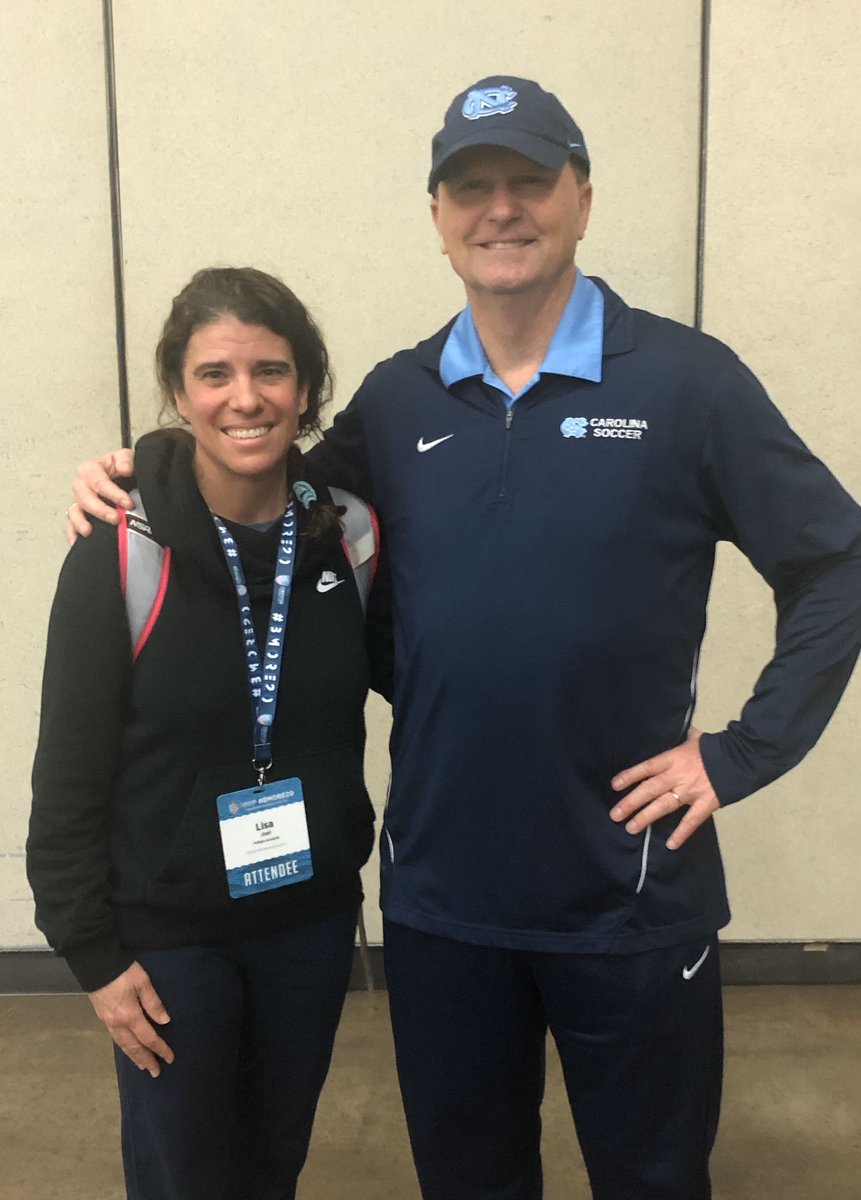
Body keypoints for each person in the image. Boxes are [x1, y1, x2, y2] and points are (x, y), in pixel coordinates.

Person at [66, 77, 861, 1200]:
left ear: (582, 198)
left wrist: (740, 753)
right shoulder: (397, 404)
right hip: (443, 904)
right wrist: (136, 470)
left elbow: (837, 560)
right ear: (437, 222)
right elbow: (257, 480)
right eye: (472, 187)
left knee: (653, 1176)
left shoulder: (688, 384)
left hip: (630, 895)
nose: (502, 209)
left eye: (530, 181)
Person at [29, 266, 378, 1200]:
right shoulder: (120, 550)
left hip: (305, 923)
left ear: (305, 390)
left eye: (270, 370)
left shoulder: (347, 539)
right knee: (185, 1179)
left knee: (270, 1168)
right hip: (166, 941)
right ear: (178, 393)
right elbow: (64, 782)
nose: (245, 397)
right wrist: (94, 959)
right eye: (214, 374)